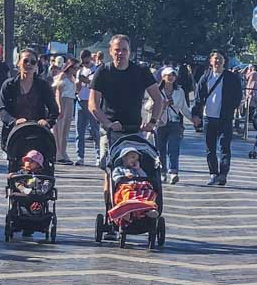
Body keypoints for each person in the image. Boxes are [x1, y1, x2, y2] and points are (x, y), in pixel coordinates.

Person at [90, 35, 164, 230]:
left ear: (129, 52)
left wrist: (152, 122)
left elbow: (158, 99)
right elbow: (93, 105)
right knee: (110, 174)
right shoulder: (103, 72)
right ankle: (111, 216)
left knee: (140, 171)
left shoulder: (140, 71)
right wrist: (107, 123)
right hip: (111, 129)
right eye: (116, 50)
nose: (120, 53)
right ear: (110, 51)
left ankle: (142, 209)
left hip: (135, 131)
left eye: (123, 50)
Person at [193, 50, 243, 187]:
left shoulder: (231, 78)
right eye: (215, 58)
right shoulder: (206, 77)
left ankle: (223, 174)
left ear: (224, 61)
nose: (217, 61)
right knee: (210, 148)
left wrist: (231, 109)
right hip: (209, 117)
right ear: (210, 61)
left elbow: (238, 95)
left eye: (220, 58)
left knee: (224, 147)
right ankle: (213, 173)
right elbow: (198, 96)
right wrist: (195, 114)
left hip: (225, 118)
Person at [0, 49, 59, 148]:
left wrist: (47, 121)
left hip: (37, 134)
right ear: (18, 63)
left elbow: (54, 110)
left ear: (36, 65)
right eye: (25, 61)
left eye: (33, 62)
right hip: (14, 135)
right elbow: (2, 109)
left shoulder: (42, 85)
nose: (29, 64)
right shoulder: (9, 85)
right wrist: (14, 121)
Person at [156, 66, 192, 185]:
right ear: (163, 77)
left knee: (173, 148)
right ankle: (162, 172)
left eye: (173, 75)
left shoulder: (179, 91)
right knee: (160, 149)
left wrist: (193, 119)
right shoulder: (156, 90)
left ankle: (173, 172)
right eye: (168, 75)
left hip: (175, 122)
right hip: (160, 123)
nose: (170, 77)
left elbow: (184, 108)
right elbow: (148, 106)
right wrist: (162, 105)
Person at [74, 49, 100, 166]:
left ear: (90, 58)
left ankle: (99, 156)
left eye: (85, 60)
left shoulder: (96, 69)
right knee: (79, 131)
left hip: (91, 102)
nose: (84, 63)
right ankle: (80, 157)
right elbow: (78, 87)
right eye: (82, 61)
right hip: (80, 101)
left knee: (95, 130)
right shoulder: (80, 70)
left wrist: (88, 81)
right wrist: (78, 84)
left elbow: (96, 84)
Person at [52, 58, 78, 163]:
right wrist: (59, 108)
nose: (76, 70)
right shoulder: (62, 76)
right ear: (69, 67)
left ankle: (63, 151)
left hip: (71, 101)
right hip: (63, 101)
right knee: (59, 128)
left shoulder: (72, 77)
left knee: (66, 129)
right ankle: (58, 153)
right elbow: (58, 92)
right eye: (75, 67)